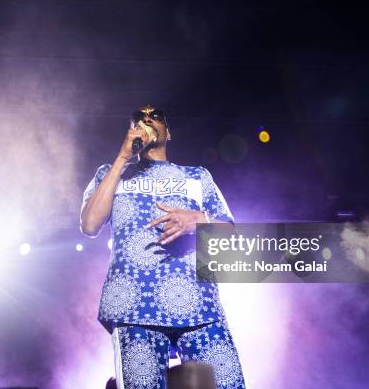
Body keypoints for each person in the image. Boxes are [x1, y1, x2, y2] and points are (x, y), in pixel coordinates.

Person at [80, 105, 246, 389]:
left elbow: (231, 236)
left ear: (168, 133)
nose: (145, 119)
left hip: (200, 307)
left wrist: (200, 220)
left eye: (154, 116)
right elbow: (90, 224)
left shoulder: (197, 177)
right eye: (138, 118)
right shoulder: (110, 174)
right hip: (133, 308)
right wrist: (122, 157)